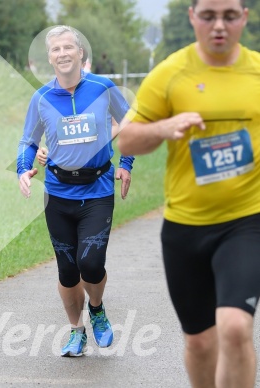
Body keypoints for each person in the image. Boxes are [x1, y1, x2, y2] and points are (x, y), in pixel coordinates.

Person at [117, 0, 260, 386]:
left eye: (229, 16)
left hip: (247, 222)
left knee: (234, 327)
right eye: (209, 16)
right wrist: (165, 128)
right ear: (192, 17)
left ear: (244, 18)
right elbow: (127, 140)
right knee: (199, 342)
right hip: (186, 227)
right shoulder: (171, 73)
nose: (219, 26)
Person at [17, 25, 134, 357]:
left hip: (97, 190)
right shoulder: (41, 98)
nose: (63, 53)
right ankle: (76, 331)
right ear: (49, 58)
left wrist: (126, 163)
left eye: (69, 47)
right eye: (56, 49)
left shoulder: (103, 87)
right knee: (68, 271)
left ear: (81, 53)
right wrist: (23, 167)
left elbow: (129, 125)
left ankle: (96, 309)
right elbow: (28, 140)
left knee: (91, 264)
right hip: (57, 192)